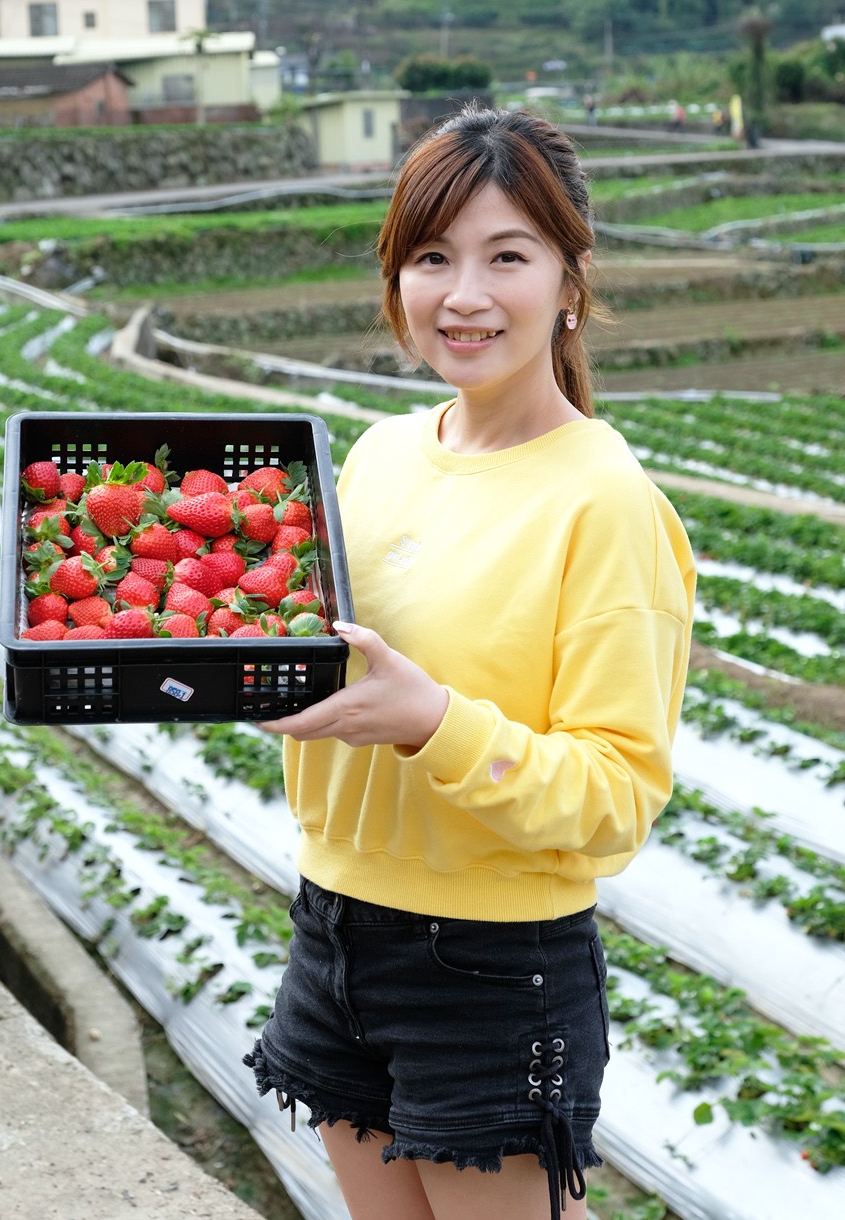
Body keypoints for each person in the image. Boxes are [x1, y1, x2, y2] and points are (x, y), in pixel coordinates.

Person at [244, 105, 696, 1220]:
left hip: (493, 973)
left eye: (508, 256)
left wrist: (430, 720)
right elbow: (334, 673)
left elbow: (614, 798)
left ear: (570, 279)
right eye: (431, 257)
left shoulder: (605, 503)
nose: (464, 295)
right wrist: (253, 679)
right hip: (334, 925)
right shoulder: (379, 454)